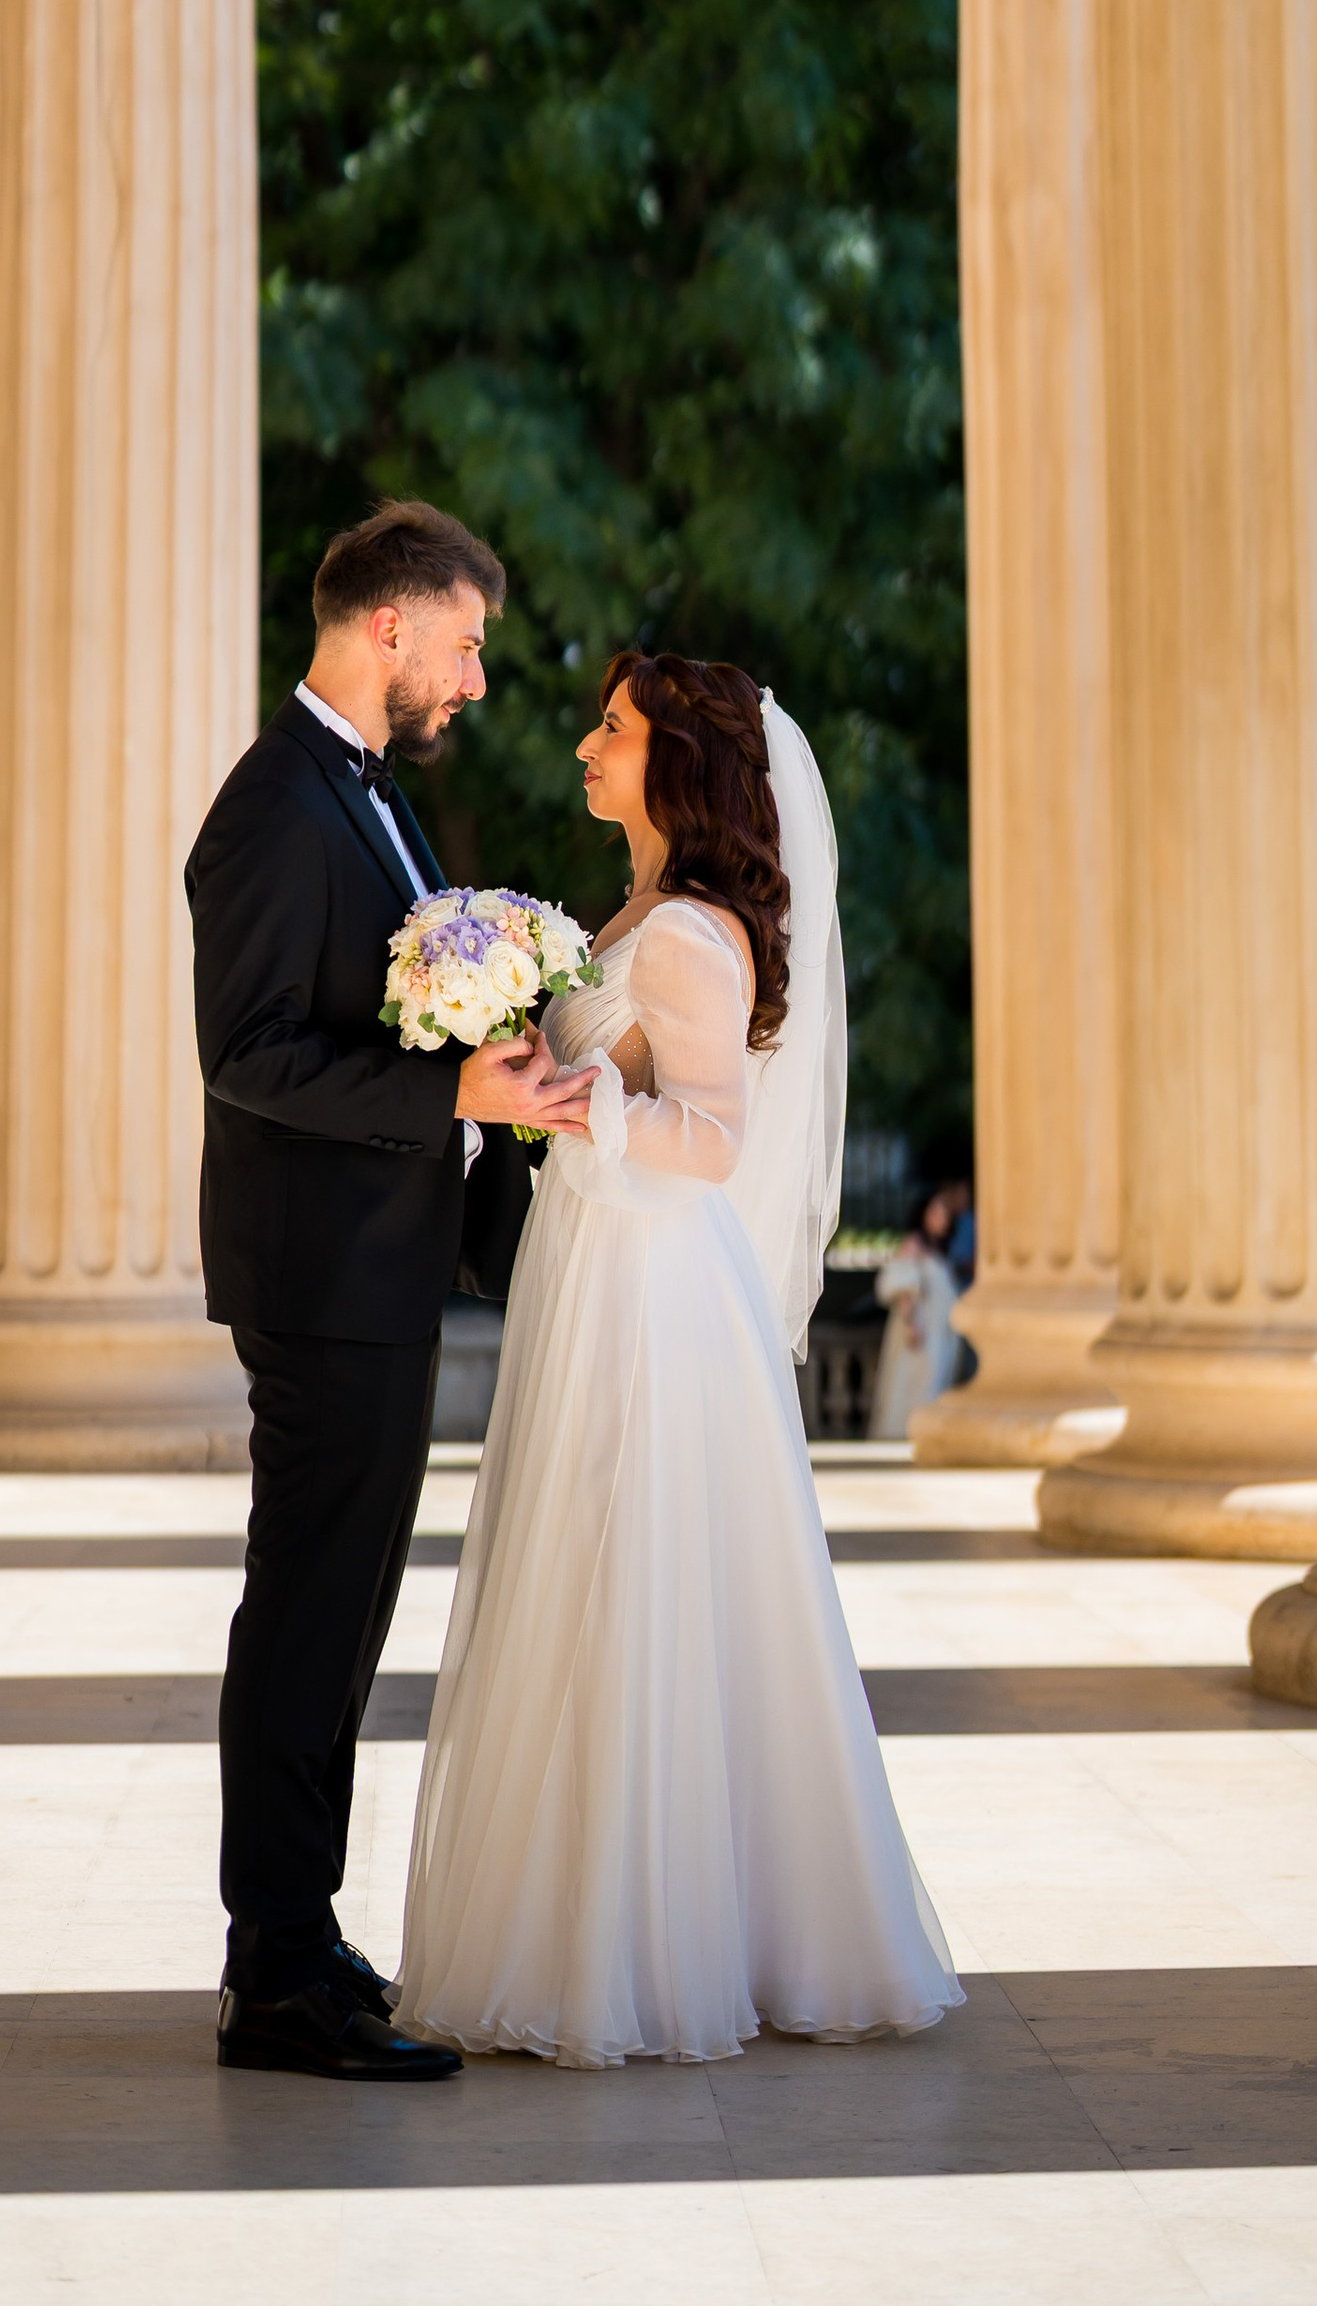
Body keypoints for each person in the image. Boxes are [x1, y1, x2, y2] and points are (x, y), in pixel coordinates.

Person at [394, 649, 964, 2066]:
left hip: (656, 1283)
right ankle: (577, 1910)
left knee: (642, 1573)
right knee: (578, 1570)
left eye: (615, 727)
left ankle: (656, 1942)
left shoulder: (698, 936)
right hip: (596, 1262)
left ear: (680, 764)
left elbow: (712, 1139)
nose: (586, 744)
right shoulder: (631, 914)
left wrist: (592, 1115)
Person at [185, 501, 595, 2083]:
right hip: (321, 1281)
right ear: (390, 630)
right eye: (470, 645)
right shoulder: (277, 806)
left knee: (346, 1616)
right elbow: (252, 1055)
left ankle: (299, 1931)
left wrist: (497, 1085)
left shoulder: (368, 800)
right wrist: (453, 1108)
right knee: (305, 1616)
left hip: (382, 1272)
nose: (477, 682)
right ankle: (273, 1971)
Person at [873, 1192, 963, 1438]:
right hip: (921, 1330)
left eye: (945, 1213)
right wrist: (911, 1324)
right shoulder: (913, 1245)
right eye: (935, 1212)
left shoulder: (938, 1251)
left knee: (934, 1382)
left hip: (939, 1331)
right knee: (916, 1383)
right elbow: (903, 1287)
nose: (941, 1218)